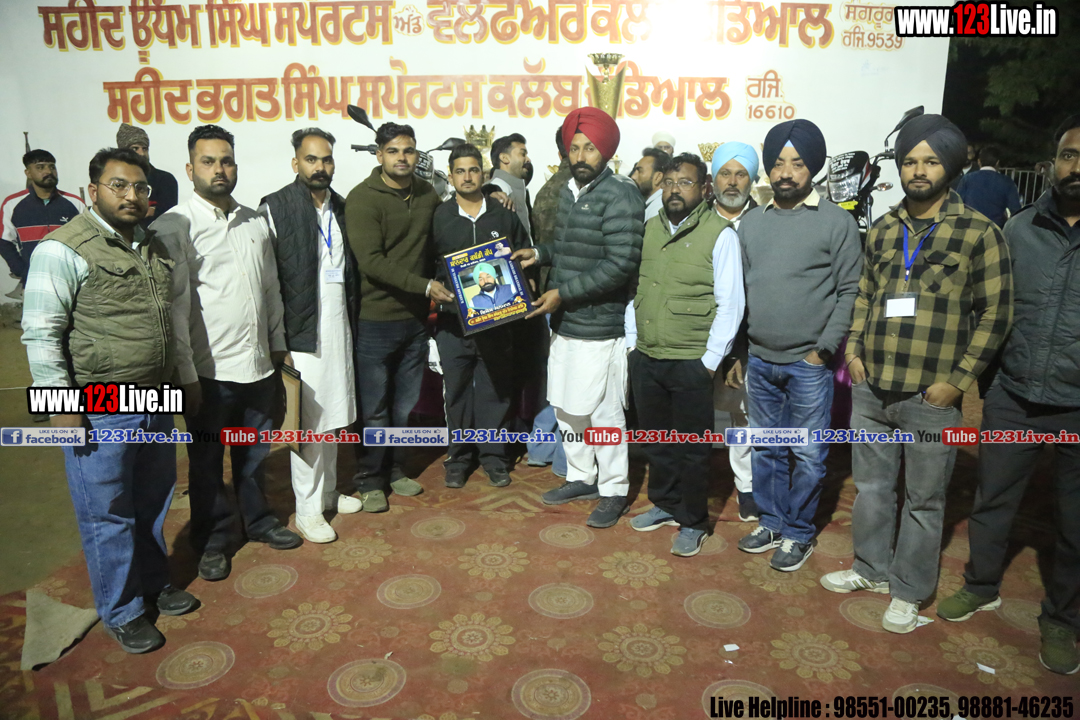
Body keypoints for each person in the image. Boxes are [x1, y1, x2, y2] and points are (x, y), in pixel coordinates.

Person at [820, 115, 1013, 634]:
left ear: (949, 166)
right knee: (872, 490)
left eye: (930, 161)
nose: (918, 170)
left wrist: (957, 381)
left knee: (925, 502)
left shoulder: (979, 232)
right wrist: (854, 353)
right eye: (909, 161)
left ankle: (909, 590)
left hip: (932, 395)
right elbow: (865, 294)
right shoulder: (884, 229)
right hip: (873, 387)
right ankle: (870, 568)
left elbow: (996, 314)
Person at [21, 147, 197, 653]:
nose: (131, 195)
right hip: (101, 405)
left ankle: (153, 582)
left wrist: (183, 381)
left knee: (153, 500)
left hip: (155, 397)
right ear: (92, 190)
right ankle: (122, 610)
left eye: (140, 187)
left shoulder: (151, 244)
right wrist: (60, 403)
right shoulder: (64, 248)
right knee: (108, 512)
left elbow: (171, 322)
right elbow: (41, 331)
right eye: (118, 185)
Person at [936, 114, 1080, 675]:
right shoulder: (1017, 231)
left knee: (1074, 523)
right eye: (1069, 155)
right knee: (992, 501)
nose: (1076, 167)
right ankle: (981, 585)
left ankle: (1062, 618)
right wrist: (991, 383)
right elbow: (989, 311)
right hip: (1013, 397)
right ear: (1052, 163)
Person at [153, 125, 301, 582]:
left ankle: (258, 521)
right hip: (208, 372)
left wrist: (277, 346)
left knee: (253, 456)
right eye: (208, 161)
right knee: (205, 463)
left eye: (226, 161)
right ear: (189, 169)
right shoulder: (174, 227)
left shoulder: (254, 221)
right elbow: (174, 310)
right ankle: (213, 539)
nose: (219, 169)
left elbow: (271, 290)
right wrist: (186, 375)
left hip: (257, 366)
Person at [737, 119, 861, 571]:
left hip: (808, 362)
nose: (786, 172)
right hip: (760, 359)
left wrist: (821, 351)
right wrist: (741, 352)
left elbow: (850, 291)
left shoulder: (836, 222)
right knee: (767, 448)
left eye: (797, 163)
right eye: (778, 163)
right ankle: (771, 521)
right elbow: (742, 292)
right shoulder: (751, 223)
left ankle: (799, 532)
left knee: (807, 453)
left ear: (814, 168)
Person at [514, 107, 645, 528]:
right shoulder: (571, 191)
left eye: (590, 148)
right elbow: (572, 249)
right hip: (566, 322)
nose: (581, 156)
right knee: (567, 407)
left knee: (604, 414)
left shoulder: (620, 194)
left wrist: (563, 293)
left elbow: (620, 263)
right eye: (575, 148)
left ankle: (614, 489)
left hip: (600, 325)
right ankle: (582, 475)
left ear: (605, 151)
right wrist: (540, 254)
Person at [625, 153, 744, 556]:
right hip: (647, 356)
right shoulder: (650, 228)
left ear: (705, 188)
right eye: (670, 182)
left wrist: (709, 362)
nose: (675, 190)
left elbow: (731, 304)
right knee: (657, 441)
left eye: (686, 182)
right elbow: (636, 289)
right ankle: (665, 503)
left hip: (692, 360)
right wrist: (632, 344)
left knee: (692, 449)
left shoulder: (720, 234)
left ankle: (693, 520)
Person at [260, 128, 363, 543]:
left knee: (333, 418)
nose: (320, 167)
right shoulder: (276, 207)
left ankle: (329, 493)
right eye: (311, 159)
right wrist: (277, 341)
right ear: (295, 163)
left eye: (326, 159)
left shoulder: (342, 207)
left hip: (339, 328)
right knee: (308, 425)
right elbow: (267, 282)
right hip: (300, 335)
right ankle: (307, 510)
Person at [346, 122, 452, 511]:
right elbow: (371, 262)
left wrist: (491, 195)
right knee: (374, 409)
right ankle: (370, 479)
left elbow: (447, 229)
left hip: (414, 322)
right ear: (379, 155)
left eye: (408, 151)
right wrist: (425, 286)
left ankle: (394, 470)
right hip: (375, 321)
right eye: (393, 151)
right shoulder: (362, 199)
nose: (402, 158)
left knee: (404, 406)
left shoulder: (426, 193)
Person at [433, 144, 531, 488]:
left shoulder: (503, 213)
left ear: (483, 174)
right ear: (450, 176)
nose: (467, 177)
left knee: (495, 390)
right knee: (457, 393)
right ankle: (459, 458)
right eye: (460, 171)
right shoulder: (439, 216)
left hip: (499, 322)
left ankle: (494, 457)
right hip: (452, 324)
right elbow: (427, 264)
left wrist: (522, 292)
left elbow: (522, 256)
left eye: (473, 170)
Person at [709, 141, 761, 522]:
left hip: (749, 340)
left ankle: (747, 487)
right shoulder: (697, 220)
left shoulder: (766, 223)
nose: (732, 181)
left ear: (752, 180)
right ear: (713, 179)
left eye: (740, 174)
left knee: (745, 417)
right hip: (698, 338)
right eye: (724, 173)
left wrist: (736, 351)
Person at [524, 128, 570, 477]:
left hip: (545, 293)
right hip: (571, 297)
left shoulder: (545, 190)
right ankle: (566, 457)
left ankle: (540, 449)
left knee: (551, 378)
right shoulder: (579, 191)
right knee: (571, 384)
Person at [1, 150, 86, 298]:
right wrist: (23, 271)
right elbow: (4, 242)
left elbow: (88, 241)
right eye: (40, 167)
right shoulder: (12, 204)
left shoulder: (75, 203)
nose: (48, 171)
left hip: (73, 283)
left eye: (52, 167)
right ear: (28, 173)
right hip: (33, 284)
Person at [116, 123, 179, 228]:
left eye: (144, 148)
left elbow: (168, 218)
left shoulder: (165, 180)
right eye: (135, 148)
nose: (142, 153)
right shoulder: (115, 181)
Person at [956, 145, 1022, 227]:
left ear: (979, 161)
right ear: (997, 162)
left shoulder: (967, 179)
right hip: (995, 228)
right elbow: (1016, 210)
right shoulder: (1007, 182)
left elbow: (957, 204)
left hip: (969, 226)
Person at [485, 133, 534, 239]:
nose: (528, 159)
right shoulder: (492, 190)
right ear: (504, 158)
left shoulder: (520, 190)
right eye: (523, 154)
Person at [628, 148, 672, 221]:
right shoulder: (654, 205)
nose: (633, 177)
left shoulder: (658, 209)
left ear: (658, 177)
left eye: (640, 171)